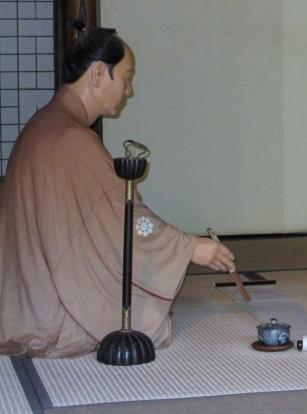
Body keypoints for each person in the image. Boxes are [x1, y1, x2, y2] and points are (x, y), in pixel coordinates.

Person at [0, 27, 235, 358]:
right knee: (141, 318)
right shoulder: (72, 139)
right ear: (98, 73)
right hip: (50, 310)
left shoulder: (46, 124)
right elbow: (129, 221)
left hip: (24, 299)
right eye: (126, 77)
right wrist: (189, 247)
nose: (129, 90)